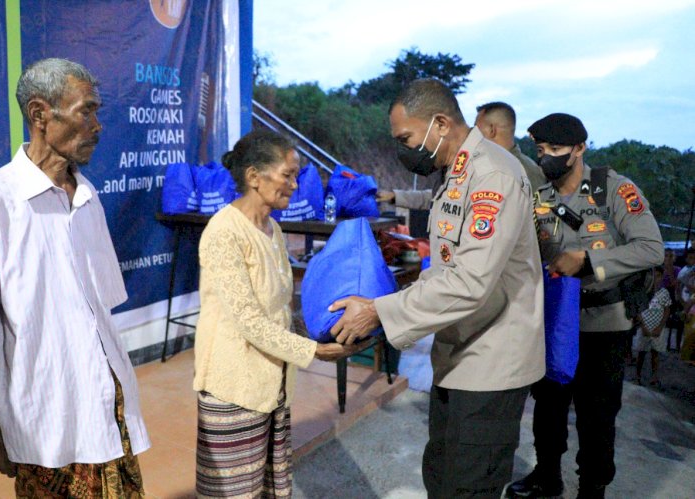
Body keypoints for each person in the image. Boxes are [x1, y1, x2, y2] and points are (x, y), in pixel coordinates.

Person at [328, 78, 546, 498]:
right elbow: (446, 268)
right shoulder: (453, 172)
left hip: (492, 360)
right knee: (442, 475)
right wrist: (382, 303)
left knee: (468, 485)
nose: (403, 148)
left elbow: (470, 281)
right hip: (459, 352)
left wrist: (380, 312)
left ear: (441, 123)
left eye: (406, 138)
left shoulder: (492, 175)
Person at [0, 58, 149, 497]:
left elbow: (99, 314)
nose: (97, 125)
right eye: (87, 111)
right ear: (40, 114)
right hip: (47, 420)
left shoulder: (87, 196)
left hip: (108, 409)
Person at [193, 129, 365, 498]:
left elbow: (278, 307)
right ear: (254, 177)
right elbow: (248, 320)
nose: (294, 185)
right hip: (234, 389)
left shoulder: (271, 227)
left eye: (295, 175)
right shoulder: (224, 231)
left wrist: (323, 328)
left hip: (272, 384)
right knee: (233, 491)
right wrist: (314, 352)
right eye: (287, 175)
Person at [507, 113, 664, 498]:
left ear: (580, 149)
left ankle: (592, 489)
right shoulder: (540, 194)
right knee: (548, 408)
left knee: (597, 418)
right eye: (541, 150)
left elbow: (651, 248)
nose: (547, 158)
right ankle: (547, 476)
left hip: (603, 324)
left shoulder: (612, 189)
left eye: (556, 150)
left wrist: (589, 263)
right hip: (554, 321)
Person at [376, 100, 545, 209]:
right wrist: (397, 196)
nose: (471, 132)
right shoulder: (472, 164)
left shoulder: (525, 172)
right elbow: (444, 197)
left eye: (476, 127)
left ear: (492, 130)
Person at [474, 101, 546, 191]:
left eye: (476, 129)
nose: (474, 134)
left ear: (492, 130)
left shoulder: (524, 172)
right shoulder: (528, 169)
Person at [633, 266, 671, 385]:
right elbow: (638, 310)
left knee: (655, 353)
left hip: (657, 328)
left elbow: (666, 310)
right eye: (652, 276)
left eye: (658, 276)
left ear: (662, 277)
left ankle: (654, 376)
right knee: (641, 353)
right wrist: (643, 326)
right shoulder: (642, 291)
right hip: (644, 327)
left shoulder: (664, 293)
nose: (655, 279)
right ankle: (637, 376)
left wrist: (660, 327)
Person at [662, 248, 683, 351]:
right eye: (666, 256)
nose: (668, 258)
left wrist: (669, 270)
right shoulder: (660, 270)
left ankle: (677, 345)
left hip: (673, 297)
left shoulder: (678, 270)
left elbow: (675, 284)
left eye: (671, 256)